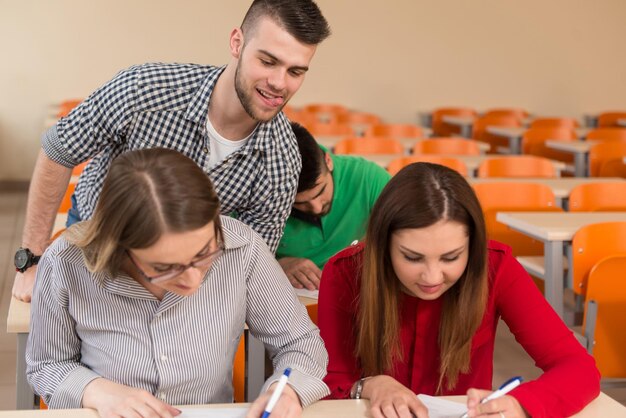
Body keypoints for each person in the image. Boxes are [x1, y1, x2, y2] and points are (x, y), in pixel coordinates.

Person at [13, 0, 331, 302]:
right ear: (237, 42)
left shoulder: (283, 161)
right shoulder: (145, 88)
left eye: (295, 72)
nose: (279, 83)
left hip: (182, 276)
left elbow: (246, 263)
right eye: (268, 61)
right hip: (98, 241)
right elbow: (58, 151)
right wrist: (31, 262)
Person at [26, 148, 329, 418]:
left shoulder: (242, 247)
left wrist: (287, 390)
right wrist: (95, 390)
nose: (193, 280)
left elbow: (298, 342)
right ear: (118, 246)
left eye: (204, 254)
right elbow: (46, 366)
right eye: (165, 267)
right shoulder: (66, 263)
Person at [317, 162, 600, 418]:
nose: (432, 276)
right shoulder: (345, 273)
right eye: (412, 257)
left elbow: (579, 368)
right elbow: (330, 383)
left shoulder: (496, 267)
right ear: (384, 245)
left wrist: (521, 404)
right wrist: (371, 385)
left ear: (472, 246)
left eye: (451, 257)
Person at [276, 122, 391, 290]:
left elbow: (408, 231)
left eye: (321, 190)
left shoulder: (367, 177)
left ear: (328, 161)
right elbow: (233, 258)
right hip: (289, 293)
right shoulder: (257, 195)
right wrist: (277, 264)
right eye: (299, 203)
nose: (316, 208)